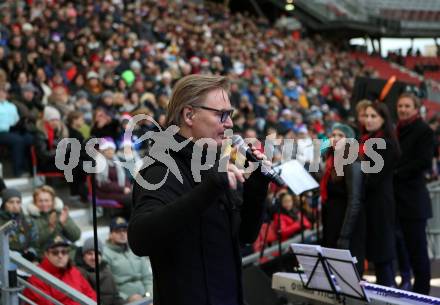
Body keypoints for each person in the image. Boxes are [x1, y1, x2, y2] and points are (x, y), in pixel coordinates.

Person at [128, 74, 271, 305]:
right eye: (221, 114)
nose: (230, 123)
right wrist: (209, 189)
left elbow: (245, 236)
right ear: (189, 115)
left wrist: (257, 186)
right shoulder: (160, 168)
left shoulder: (213, 162)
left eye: (230, 114)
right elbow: (139, 239)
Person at [394, 92, 434, 294]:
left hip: (413, 202)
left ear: (416, 108)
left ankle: (422, 293)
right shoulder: (395, 130)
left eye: (407, 106)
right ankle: (408, 287)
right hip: (396, 201)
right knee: (403, 251)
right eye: (400, 106)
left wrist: (395, 173)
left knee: (417, 253)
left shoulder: (423, 130)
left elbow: (424, 162)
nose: (402, 109)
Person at [361, 102, 400, 287]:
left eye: (373, 116)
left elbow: (373, 178)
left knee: (382, 256)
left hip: (380, 204)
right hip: (372, 202)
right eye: (366, 116)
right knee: (379, 257)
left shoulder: (384, 143)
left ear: (384, 120)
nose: (368, 120)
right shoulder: (369, 140)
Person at [321, 123, 365, 274]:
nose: (335, 138)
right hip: (333, 223)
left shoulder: (352, 162)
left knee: (348, 275)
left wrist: (344, 235)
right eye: (333, 135)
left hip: (345, 226)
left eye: (341, 135)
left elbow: (355, 201)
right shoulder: (331, 161)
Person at [23, 235, 97, 305]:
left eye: (64, 252)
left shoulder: (73, 271)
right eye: (55, 252)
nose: (60, 256)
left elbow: (91, 295)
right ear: (46, 254)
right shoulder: (37, 279)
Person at [104, 217, 153, 302]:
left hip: (147, 295)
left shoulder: (135, 249)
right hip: (125, 299)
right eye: (118, 231)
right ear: (110, 234)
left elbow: (147, 277)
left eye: (125, 231)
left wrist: (149, 293)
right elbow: (109, 287)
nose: (122, 234)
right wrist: (126, 298)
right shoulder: (105, 255)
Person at [26, 185, 81, 258]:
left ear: (53, 201)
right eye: (40, 201)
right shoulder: (29, 219)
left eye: (47, 200)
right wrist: (51, 227)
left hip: (67, 251)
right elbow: (35, 243)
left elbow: (76, 237)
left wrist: (64, 223)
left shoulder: (60, 213)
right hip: (45, 255)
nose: (44, 204)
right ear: (35, 202)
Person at [75, 237, 125, 305]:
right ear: (83, 256)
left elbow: (116, 297)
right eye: (89, 253)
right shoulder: (79, 274)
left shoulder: (107, 271)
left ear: (101, 256)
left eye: (97, 254)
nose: (93, 257)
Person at [0, 188, 38, 261]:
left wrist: (31, 253)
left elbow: (36, 243)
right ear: (4, 203)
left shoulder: (28, 220)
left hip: (25, 262)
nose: (15, 205)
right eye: (11, 202)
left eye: (18, 202)